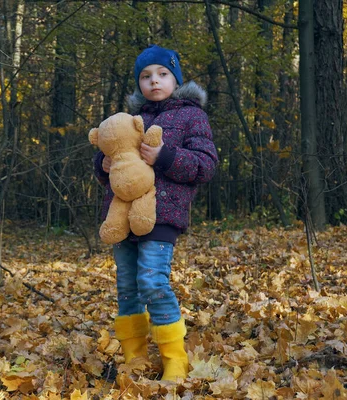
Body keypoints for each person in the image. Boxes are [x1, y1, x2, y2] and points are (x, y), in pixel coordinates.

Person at [92, 44, 218, 381]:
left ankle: (174, 358)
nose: (155, 81)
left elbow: (205, 166)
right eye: (146, 76)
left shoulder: (192, 116)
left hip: (164, 216)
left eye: (163, 74)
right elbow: (112, 160)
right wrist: (102, 166)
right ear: (139, 84)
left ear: (175, 79)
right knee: (127, 287)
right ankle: (133, 358)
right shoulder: (130, 120)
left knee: (153, 281)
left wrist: (164, 156)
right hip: (121, 216)